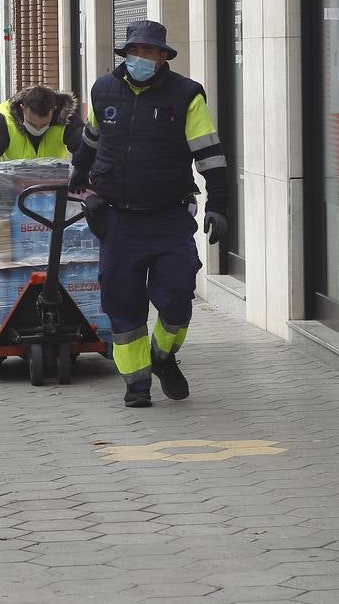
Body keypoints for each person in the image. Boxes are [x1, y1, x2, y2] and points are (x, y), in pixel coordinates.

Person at [69, 20, 230, 409]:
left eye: (150, 52)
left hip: (168, 217)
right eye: (135, 51)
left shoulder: (186, 95)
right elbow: (91, 140)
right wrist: (81, 181)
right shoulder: (103, 89)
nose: (142, 58)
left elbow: (210, 155)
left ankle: (162, 356)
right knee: (122, 304)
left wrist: (220, 205)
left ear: (163, 57)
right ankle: (136, 384)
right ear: (126, 54)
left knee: (177, 296)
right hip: (117, 219)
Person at [0, 85, 82, 164]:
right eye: (32, 123)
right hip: (10, 187)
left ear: (54, 110)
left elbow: (84, 148)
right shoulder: (3, 119)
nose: (37, 129)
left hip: (52, 187)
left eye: (43, 125)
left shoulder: (66, 119)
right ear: (22, 108)